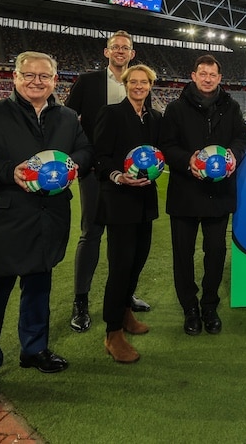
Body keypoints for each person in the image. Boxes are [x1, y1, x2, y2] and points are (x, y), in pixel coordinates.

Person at [0, 51, 93, 413]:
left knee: (38, 289)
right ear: (15, 77)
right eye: (29, 75)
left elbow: (86, 152)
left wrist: (73, 166)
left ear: (56, 81)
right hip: (0, 223)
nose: (37, 81)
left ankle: (34, 349)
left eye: (45, 76)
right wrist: (10, 172)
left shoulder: (68, 118)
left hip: (47, 220)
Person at [66, 30, 152, 333]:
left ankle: (124, 299)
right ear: (106, 52)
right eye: (115, 47)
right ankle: (81, 301)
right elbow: (66, 118)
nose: (120, 51)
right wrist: (79, 157)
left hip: (130, 177)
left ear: (132, 52)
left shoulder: (139, 84)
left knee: (128, 240)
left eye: (125, 48)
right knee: (91, 233)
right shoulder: (88, 82)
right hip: (96, 171)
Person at [160, 54, 246, 336]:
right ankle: (190, 308)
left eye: (213, 74)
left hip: (218, 194)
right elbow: (166, 146)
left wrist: (233, 155)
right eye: (203, 73)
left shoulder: (231, 107)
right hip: (186, 193)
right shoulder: (175, 109)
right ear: (194, 75)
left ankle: (209, 306)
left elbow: (242, 137)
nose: (208, 78)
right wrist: (190, 161)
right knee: (182, 255)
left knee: (216, 253)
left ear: (219, 78)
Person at [92, 64, 163, 363]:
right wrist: (119, 176)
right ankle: (112, 333)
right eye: (133, 82)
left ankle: (125, 314)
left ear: (150, 85)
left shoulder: (155, 118)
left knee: (137, 262)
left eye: (143, 82)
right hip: (119, 200)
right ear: (125, 84)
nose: (138, 86)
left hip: (146, 201)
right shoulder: (111, 113)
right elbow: (100, 156)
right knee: (120, 266)